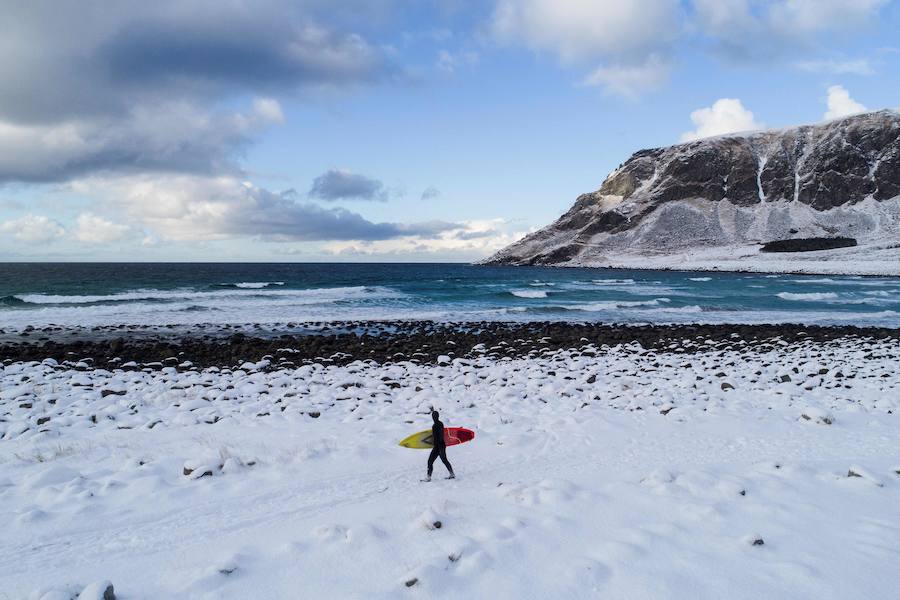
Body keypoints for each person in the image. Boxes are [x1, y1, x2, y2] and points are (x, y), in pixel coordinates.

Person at [425, 410, 454, 481]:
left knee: (443, 460)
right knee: (430, 461)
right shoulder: (436, 425)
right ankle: (428, 477)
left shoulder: (438, 425)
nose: (434, 417)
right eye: (433, 416)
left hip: (440, 446)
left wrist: (439, 447)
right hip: (437, 446)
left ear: (437, 416)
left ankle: (452, 474)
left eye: (435, 416)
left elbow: (440, 436)